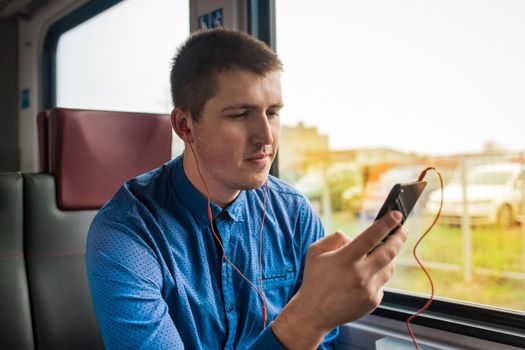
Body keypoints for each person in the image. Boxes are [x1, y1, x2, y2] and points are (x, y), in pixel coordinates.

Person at [86, 28, 407, 349]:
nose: (266, 137)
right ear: (186, 126)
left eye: (273, 112)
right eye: (241, 114)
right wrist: (308, 317)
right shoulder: (126, 232)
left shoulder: (293, 212)